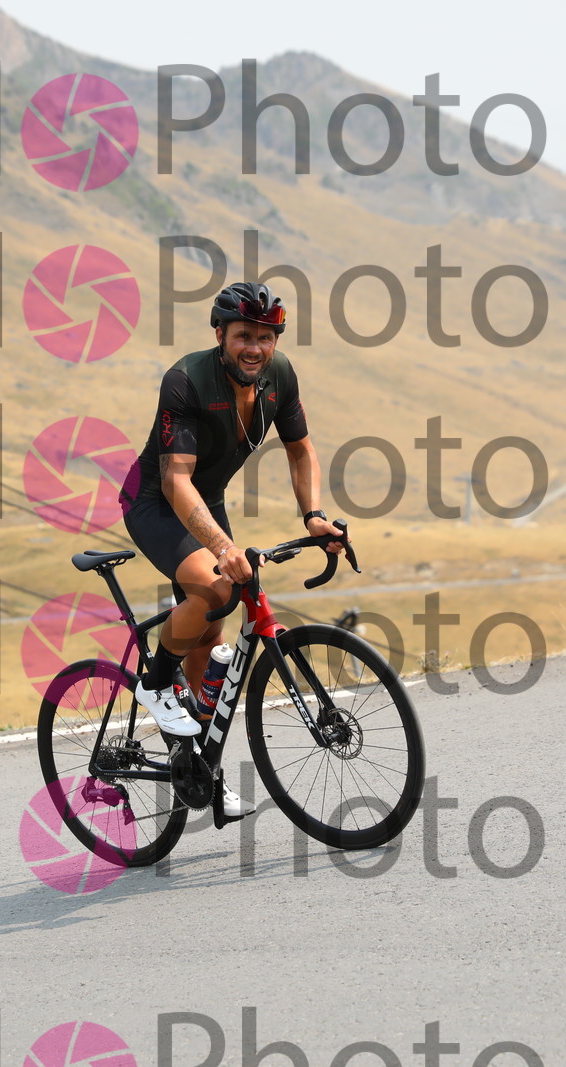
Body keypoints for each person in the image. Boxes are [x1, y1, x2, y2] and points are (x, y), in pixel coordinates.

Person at [123, 283, 345, 811]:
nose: (255, 348)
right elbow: (176, 481)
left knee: (211, 630)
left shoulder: (279, 375)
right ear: (220, 334)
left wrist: (313, 516)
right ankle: (155, 682)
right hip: (155, 501)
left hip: (208, 500)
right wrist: (224, 548)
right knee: (217, 590)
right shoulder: (186, 380)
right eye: (244, 336)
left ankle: (197, 765)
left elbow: (300, 450)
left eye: (266, 338)